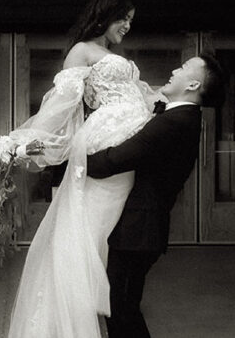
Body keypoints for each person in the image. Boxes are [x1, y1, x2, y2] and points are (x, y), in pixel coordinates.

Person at [6, 0, 158, 338]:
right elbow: (62, 102)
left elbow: (141, 93)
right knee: (88, 226)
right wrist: (23, 141)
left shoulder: (107, 53)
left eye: (131, 21)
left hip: (125, 140)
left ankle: (102, 298)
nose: (127, 27)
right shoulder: (83, 51)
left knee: (104, 228)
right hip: (106, 140)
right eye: (123, 19)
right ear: (105, 15)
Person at [86, 52, 227, 338]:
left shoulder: (176, 122)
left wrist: (68, 161)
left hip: (138, 231)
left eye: (184, 68)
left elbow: (115, 160)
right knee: (122, 308)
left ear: (193, 85)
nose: (175, 69)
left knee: (121, 309)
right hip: (140, 230)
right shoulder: (177, 116)